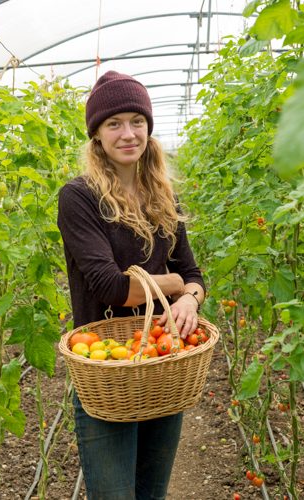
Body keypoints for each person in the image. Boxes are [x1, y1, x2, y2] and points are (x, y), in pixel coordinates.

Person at [57, 70, 206, 500]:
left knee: (151, 493)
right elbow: (111, 287)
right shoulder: (79, 197)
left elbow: (193, 275)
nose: (128, 134)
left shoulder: (162, 195)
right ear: (97, 136)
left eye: (136, 121)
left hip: (163, 362)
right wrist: (174, 282)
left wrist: (190, 301)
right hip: (106, 370)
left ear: (148, 127)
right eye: (114, 124)